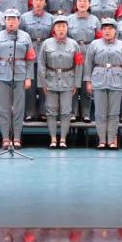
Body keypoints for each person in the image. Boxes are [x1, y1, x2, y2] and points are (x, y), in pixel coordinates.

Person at [0, 9, 35, 150]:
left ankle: (16, 137)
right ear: (4, 21)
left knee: (19, 108)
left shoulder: (25, 36)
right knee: (3, 108)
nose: (11, 22)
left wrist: (28, 77)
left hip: (20, 75)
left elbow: (30, 59)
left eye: (14, 19)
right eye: (8, 19)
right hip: (2, 75)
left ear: (19, 21)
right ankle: (5, 138)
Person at [85, 18, 122, 149]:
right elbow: (88, 63)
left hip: (117, 80)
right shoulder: (94, 44)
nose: (107, 31)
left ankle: (111, 140)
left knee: (114, 112)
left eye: (110, 28)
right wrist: (88, 81)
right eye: (104, 28)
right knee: (100, 112)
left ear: (115, 31)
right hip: (98, 79)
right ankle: (102, 140)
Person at [38, 16, 82, 148]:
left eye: (63, 26)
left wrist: (76, 83)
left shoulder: (74, 44)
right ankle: (53, 139)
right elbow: (41, 64)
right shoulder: (46, 43)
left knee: (66, 111)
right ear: (54, 29)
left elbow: (79, 64)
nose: (61, 29)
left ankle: (63, 139)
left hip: (68, 81)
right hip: (50, 81)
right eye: (58, 26)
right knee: (51, 111)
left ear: (67, 28)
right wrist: (43, 83)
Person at [66, 0, 101, 122]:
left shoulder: (95, 20)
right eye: (80, 1)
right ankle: (73, 112)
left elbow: (99, 39)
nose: (82, 3)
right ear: (76, 3)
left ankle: (86, 113)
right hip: (73, 53)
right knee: (73, 83)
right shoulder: (69, 19)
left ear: (89, 4)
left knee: (87, 82)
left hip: (89, 52)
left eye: (85, 1)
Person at [20, 0, 54, 121]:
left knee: (44, 84)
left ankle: (43, 112)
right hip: (30, 52)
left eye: (41, 0)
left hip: (45, 52)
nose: (38, 2)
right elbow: (21, 35)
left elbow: (53, 35)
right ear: (32, 1)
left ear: (45, 2)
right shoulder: (24, 18)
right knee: (30, 85)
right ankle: (30, 112)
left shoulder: (51, 18)